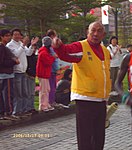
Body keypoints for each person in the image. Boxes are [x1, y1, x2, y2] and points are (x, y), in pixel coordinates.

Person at [52, 21, 111, 150]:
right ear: (87, 32)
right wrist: (58, 46)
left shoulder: (106, 51)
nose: (95, 34)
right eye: (92, 31)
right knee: (85, 137)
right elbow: (66, 53)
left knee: (99, 136)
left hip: (101, 99)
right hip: (85, 99)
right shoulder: (81, 47)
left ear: (104, 34)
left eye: (99, 31)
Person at [6, 28, 39, 117]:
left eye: (18, 34)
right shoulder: (10, 45)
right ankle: (16, 111)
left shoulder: (21, 44)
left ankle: (24, 109)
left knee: (25, 92)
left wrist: (32, 45)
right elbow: (16, 54)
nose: (17, 36)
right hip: (16, 72)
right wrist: (23, 45)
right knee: (18, 93)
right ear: (12, 36)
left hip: (23, 72)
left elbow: (28, 53)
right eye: (15, 34)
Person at [0, 29, 20, 120]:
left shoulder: (4, 47)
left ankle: (4, 112)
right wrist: (13, 62)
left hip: (6, 74)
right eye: (7, 36)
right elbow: (2, 62)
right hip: (6, 74)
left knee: (5, 94)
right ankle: (8, 112)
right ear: (2, 37)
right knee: (7, 95)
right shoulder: (2, 48)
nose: (8, 37)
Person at [36, 36, 57, 112]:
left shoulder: (45, 51)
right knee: (44, 90)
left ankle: (46, 103)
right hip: (43, 73)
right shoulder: (43, 52)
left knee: (47, 89)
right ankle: (43, 105)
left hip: (45, 73)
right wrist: (53, 57)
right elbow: (47, 62)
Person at [46, 29, 60, 108]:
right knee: (51, 87)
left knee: (53, 86)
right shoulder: (50, 47)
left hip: (53, 69)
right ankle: (50, 101)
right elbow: (54, 58)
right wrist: (57, 68)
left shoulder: (51, 46)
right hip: (51, 69)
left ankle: (52, 101)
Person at [26, 43, 38, 114]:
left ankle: (31, 106)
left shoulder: (34, 57)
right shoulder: (28, 57)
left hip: (33, 75)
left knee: (32, 92)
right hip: (28, 75)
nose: (34, 49)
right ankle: (28, 107)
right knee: (28, 92)